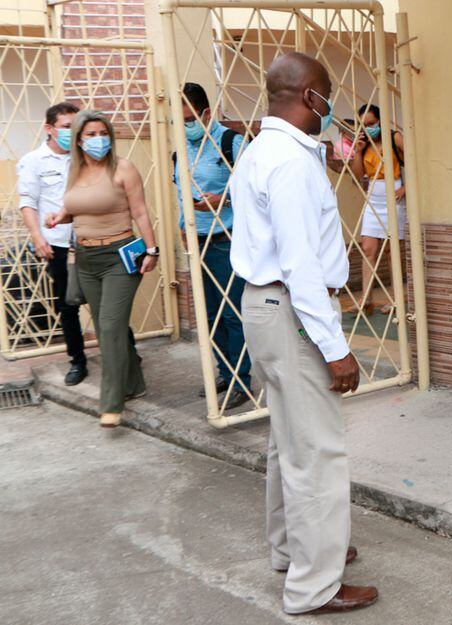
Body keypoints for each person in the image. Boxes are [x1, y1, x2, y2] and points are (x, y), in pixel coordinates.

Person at [229, 52, 375, 615]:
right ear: (310, 96)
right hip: (291, 309)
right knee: (317, 451)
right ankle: (316, 584)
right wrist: (336, 349)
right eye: (328, 94)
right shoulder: (289, 162)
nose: (330, 104)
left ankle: (296, 551)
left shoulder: (262, 151)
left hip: (267, 309)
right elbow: (300, 265)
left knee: (287, 443)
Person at [45, 110, 159, 428]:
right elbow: (77, 208)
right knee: (113, 326)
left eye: (103, 133)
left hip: (119, 257)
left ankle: (111, 401)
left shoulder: (123, 169)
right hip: (86, 258)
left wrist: (153, 250)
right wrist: (59, 217)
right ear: (79, 140)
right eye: (91, 135)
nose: (99, 140)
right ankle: (135, 383)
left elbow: (140, 211)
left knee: (107, 327)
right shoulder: (75, 171)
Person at [175, 82, 251, 409]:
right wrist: (182, 228)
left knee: (233, 313)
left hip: (228, 241)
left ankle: (241, 380)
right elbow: (182, 198)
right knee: (209, 316)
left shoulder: (232, 144)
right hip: (197, 242)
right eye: (180, 122)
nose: (185, 127)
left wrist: (225, 198)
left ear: (206, 113)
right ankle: (224, 371)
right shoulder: (180, 151)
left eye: (189, 119)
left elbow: (256, 191)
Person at [16, 102, 88, 385]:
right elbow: (28, 202)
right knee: (67, 304)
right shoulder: (33, 161)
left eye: (76, 127)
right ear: (49, 129)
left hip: (91, 239)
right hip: (58, 244)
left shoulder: (85, 157)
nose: (72, 133)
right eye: (66, 127)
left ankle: (126, 353)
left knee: (106, 302)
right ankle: (77, 361)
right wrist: (37, 237)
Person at [330, 103, 405, 315]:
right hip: (374, 196)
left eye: (372, 124)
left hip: (395, 195)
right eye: (364, 125)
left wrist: (405, 189)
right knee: (368, 249)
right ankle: (366, 299)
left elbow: (416, 163)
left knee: (392, 252)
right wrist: (359, 150)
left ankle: (396, 299)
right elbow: (357, 175)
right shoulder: (363, 143)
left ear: (380, 121)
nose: (368, 128)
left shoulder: (394, 138)